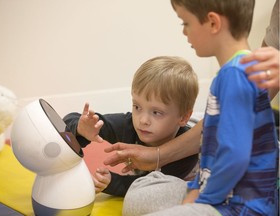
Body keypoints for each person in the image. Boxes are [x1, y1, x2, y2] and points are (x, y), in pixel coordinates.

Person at [121, 0, 279, 215]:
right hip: (217, 193)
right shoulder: (233, 72)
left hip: (240, 207)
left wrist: (200, 200)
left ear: (213, 23)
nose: (185, 32)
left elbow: (236, 157)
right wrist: (195, 189)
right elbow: (212, 154)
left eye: (186, 23)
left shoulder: (236, 77)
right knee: (140, 195)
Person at [63, 56, 199, 197]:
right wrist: (81, 129)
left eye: (156, 112)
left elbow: (151, 187)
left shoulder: (187, 152)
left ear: (183, 117)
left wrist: (112, 182)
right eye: (137, 107)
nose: (143, 120)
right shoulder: (129, 125)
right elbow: (67, 122)